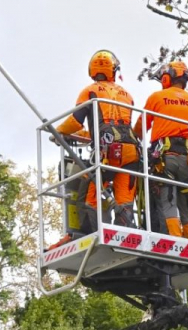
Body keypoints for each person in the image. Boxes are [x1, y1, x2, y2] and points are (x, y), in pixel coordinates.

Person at [53, 50, 140, 240]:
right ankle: (124, 234)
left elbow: (76, 120)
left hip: (106, 152)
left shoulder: (90, 91)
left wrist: (58, 131)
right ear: (113, 70)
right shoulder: (127, 95)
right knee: (124, 198)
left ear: (92, 70)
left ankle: (91, 234)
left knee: (88, 193)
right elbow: (116, 124)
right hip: (130, 151)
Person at [141, 60, 188, 239]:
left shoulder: (156, 98)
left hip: (165, 159)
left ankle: (173, 241)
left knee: (167, 201)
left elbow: (139, 129)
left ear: (166, 79)